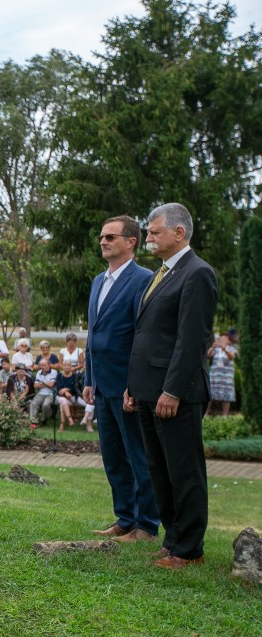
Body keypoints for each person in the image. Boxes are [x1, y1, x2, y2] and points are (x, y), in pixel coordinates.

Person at [124, 203, 217, 569]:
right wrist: (134, 385)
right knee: (159, 469)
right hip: (148, 390)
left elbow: (192, 340)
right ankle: (173, 539)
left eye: (154, 231)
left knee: (183, 470)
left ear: (179, 233)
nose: (147, 236)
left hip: (175, 393)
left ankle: (189, 549)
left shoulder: (198, 274)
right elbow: (148, 334)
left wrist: (173, 390)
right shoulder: (160, 274)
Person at [85, 215, 158, 543]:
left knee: (138, 457)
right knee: (113, 457)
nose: (103, 241)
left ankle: (146, 525)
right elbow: (93, 334)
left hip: (128, 388)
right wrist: (88, 378)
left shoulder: (143, 280)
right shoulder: (98, 282)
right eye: (102, 236)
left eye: (111, 237)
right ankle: (125, 518)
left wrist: (135, 384)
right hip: (101, 386)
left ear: (131, 242)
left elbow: (142, 338)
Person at [206, 333, 237, 416]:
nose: (222, 340)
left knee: (226, 396)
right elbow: (208, 355)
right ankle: (206, 413)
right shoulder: (216, 349)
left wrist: (225, 350)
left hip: (226, 378)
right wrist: (213, 347)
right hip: (215, 377)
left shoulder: (231, 348)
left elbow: (232, 357)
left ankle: (224, 416)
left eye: (224, 339)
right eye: (221, 338)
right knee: (210, 395)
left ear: (228, 341)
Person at [29, 359, 58, 428]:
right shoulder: (39, 372)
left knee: (46, 405)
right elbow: (35, 386)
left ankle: (43, 419)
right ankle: (33, 422)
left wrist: (42, 383)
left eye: (44, 365)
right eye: (41, 365)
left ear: (49, 365)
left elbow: (51, 385)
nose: (42, 367)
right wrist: (46, 384)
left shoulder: (54, 372)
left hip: (51, 393)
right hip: (41, 393)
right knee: (33, 403)